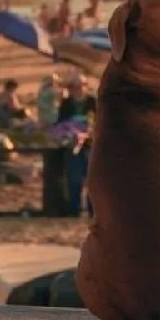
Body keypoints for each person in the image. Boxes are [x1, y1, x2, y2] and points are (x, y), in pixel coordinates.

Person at [58, 75, 96, 217]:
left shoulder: (93, 102)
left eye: (82, 86)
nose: (79, 89)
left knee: (92, 180)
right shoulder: (66, 104)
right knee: (74, 179)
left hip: (91, 146)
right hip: (72, 145)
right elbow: (59, 124)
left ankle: (93, 211)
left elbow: (100, 123)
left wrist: (88, 133)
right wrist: (71, 132)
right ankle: (74, 210)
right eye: (75, 87)